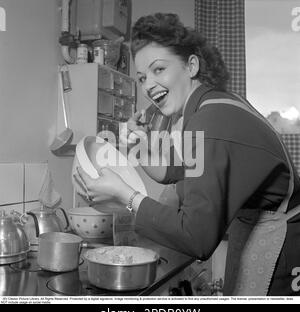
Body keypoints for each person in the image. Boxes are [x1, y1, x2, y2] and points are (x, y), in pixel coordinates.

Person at [73, 13, 300, 296]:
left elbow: (197, 238)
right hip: (257, 229)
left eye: (159, 69)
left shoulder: (213, 119)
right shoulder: (207, 105)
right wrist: (137, 146)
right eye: (142, 77)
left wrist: (126, 197)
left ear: (191, 65)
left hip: (283, 242)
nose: (148, 85)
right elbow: (173, 171)